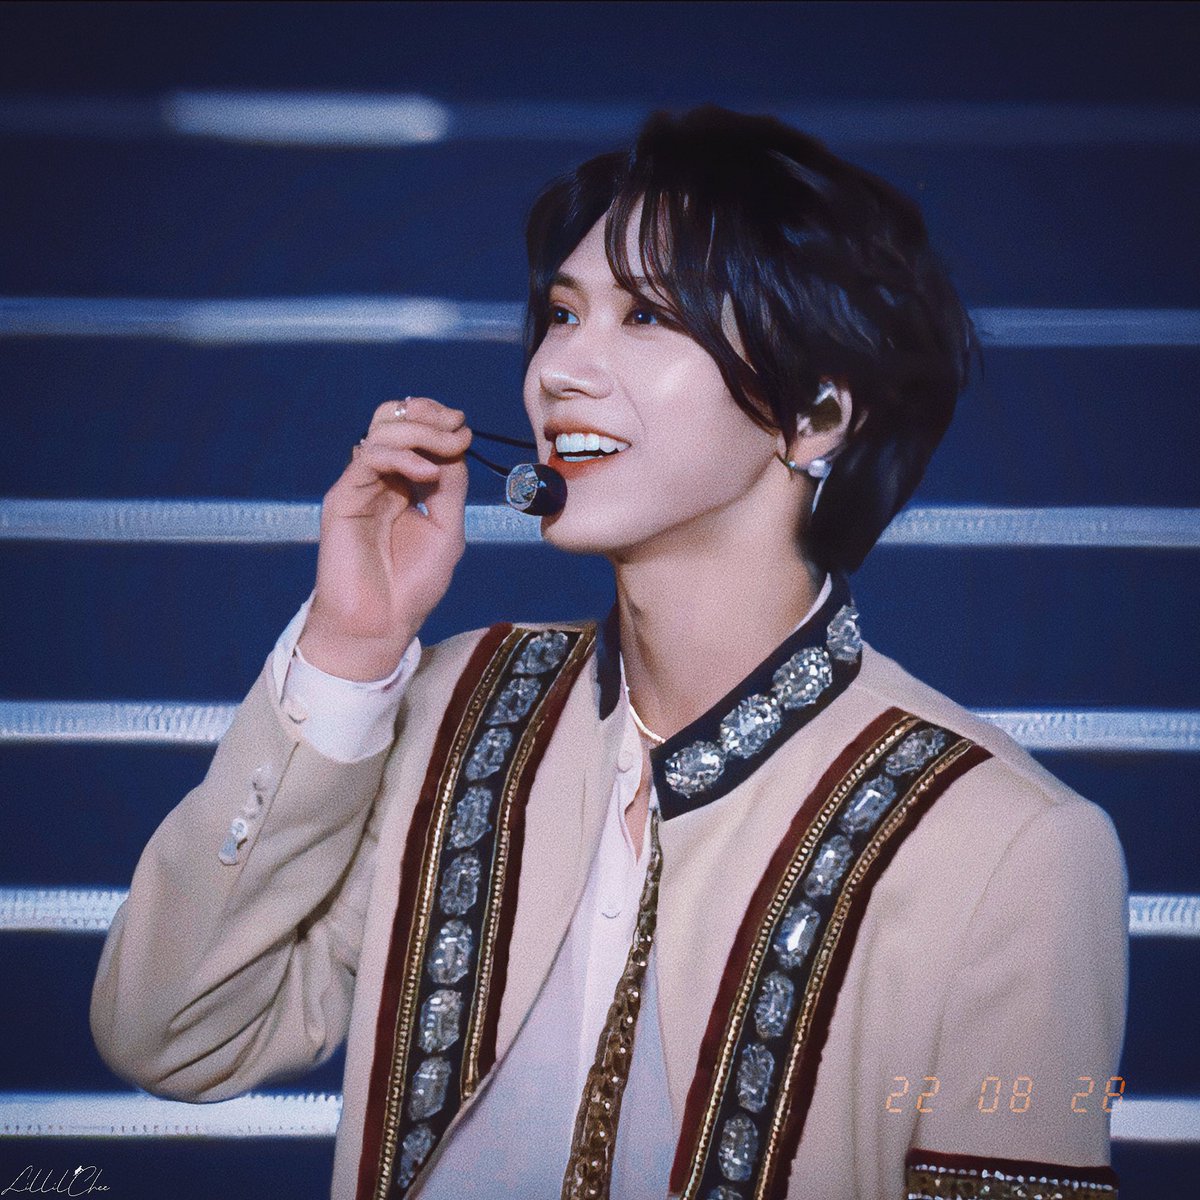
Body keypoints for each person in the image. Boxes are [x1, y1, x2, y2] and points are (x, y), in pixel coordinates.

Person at [90, 107, 1128, 1199]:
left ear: (817, 415)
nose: (559, 372)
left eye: (645, 316)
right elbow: (170, 1033)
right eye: (561, 314)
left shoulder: (1011, 846)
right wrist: (351, 648)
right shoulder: (451, 708)